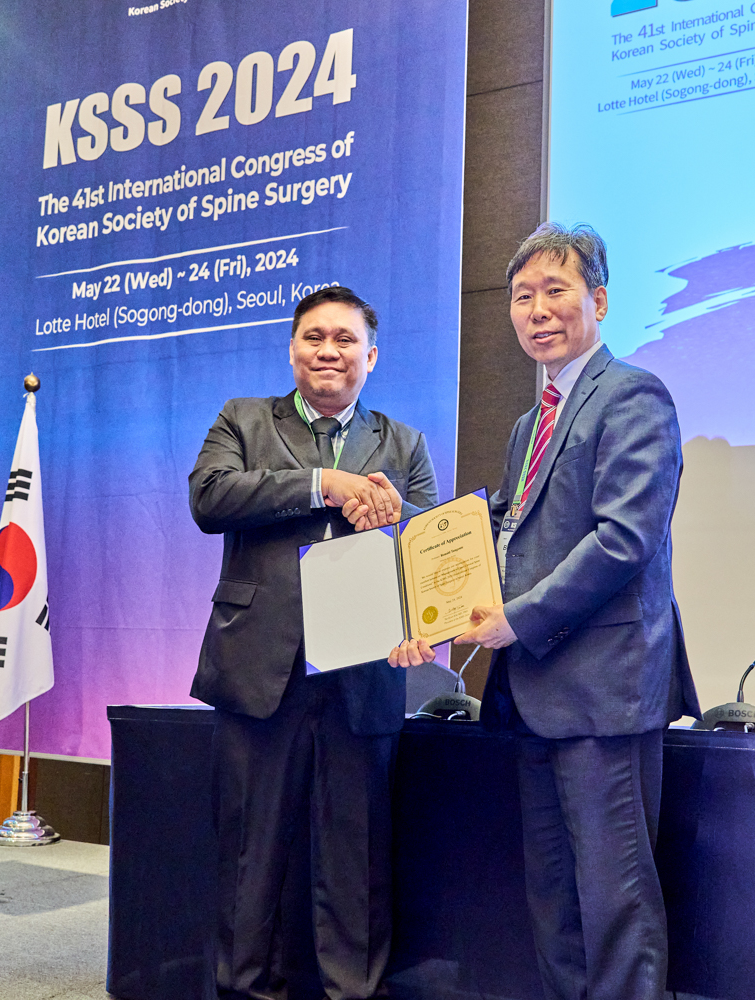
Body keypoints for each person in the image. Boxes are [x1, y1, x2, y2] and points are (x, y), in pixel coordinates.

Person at [390, 223, 700, 1000]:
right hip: (533, 693)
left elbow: (623, 540)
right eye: (522, 296)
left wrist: (516, 619)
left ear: (598, 300)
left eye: (554, 290)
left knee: (614, 902)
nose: (537, 310)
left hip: (602, 694)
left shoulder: (632, 395)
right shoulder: (531, 424)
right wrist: (420, 600)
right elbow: (496, 539)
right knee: (553, 900)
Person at [191, 285, 438, 1000]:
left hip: (362, 674)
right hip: (258, 667)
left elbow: (428, 541)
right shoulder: (242, 419)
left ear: (371, 356)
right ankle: (245, 991)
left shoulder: (403, 442)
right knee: (250, 854)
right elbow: (210, 497)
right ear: (293, 348)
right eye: (314, 337)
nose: (329, 351)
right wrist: (323, 484)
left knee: (357, 860)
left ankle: (352, 993)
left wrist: (393, 511)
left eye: (345, 340)